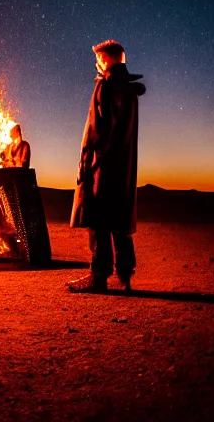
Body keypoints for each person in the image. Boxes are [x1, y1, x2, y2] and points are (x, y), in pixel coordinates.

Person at [68, 40, 146, 293]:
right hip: (122, 168)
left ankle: (98, 275)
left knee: (98, 219)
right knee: (118, 219)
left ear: (107, 60)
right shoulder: (129, 91)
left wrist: (86, 165)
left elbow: (95, 132)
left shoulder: (105, 87)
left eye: (99, 60)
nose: (97, 65)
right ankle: (125, 274)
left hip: (102, 166)